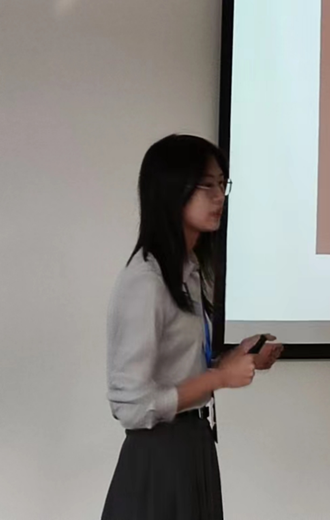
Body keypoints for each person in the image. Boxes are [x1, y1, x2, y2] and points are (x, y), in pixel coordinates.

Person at [101, 134, 283, 519]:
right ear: (171, 189)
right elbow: (132, 405)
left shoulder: (190, 270)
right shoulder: (146, 281)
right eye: (206, 185)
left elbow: (178, 369)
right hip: (159, 457)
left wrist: (233, 359)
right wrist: (220, 378)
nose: (219, 196)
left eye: (222, 184)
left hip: (193, 446)